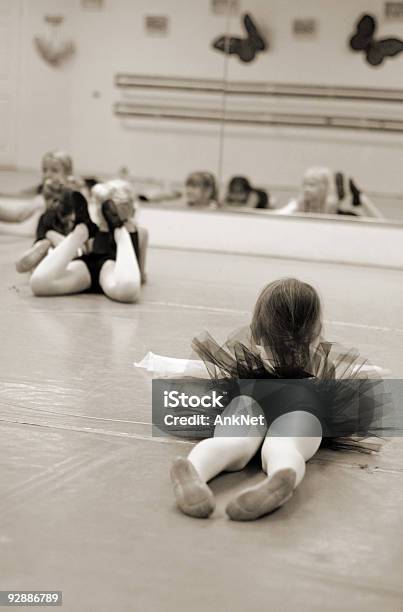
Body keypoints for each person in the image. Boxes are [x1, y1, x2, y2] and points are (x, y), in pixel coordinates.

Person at [137, 278, 393, 521]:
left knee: (229, 444)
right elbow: (357, 373)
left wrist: (163, 366)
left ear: (257, 331)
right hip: (304, 405)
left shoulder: (247, 359)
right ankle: (283, 475)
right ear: (315, 332)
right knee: (284, 448)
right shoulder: (320, 359)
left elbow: (199, 368)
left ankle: (194, 469)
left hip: (251, 396)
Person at [30, 186, 142, 303]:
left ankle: (118, 231)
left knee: (128, 289)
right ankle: (80, 232)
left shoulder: (136, 230)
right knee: (38, 283)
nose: (100, 211)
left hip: (110, 267)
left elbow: (139, 272)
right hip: (87, 266)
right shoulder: (95, 230)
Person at [276, 167, 383, 218]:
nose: (306, 189)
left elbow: (381, 226)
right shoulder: (295, 210)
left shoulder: (344, 217)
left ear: (326, 188)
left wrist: (361, 198)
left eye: (312, 185)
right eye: (305, 184)